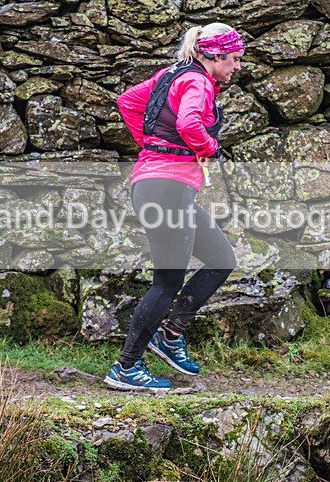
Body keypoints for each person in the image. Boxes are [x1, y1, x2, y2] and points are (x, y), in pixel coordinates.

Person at [103, 22, 245, 392]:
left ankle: (170, 333)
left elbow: (128, 101)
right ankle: (126, 368)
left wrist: (155, 144)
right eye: (234, 59)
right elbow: (188, 122)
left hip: (156, 185)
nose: (238, 66)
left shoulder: (171, 74)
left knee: (221, 259)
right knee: (166, 283)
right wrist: (206, 148)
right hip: (167, 189)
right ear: (214, 55)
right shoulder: (197, 81)